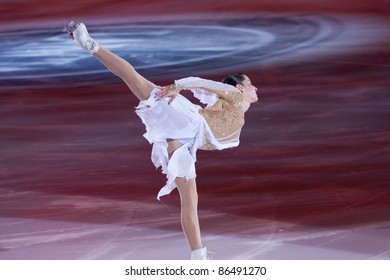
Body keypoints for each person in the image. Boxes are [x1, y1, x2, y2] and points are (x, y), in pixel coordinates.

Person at [64, 21, 258, 260]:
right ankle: (91, 46)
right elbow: (201, 82)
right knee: (138, 81)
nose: (255, 87)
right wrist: (177, 87)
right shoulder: (235, 97)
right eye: (250, 84)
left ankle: (198, 256)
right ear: (239, 87)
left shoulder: (226, 105)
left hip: (186, 141)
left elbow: (210, 98)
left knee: (190, 200)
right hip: (189, 122)